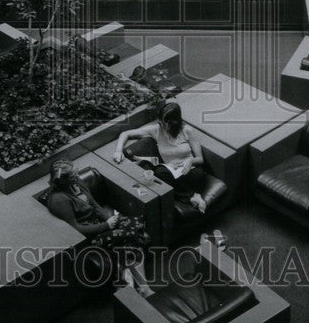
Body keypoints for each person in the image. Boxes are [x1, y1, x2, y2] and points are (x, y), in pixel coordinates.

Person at [46, 159, 152, 295]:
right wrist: (106, 225)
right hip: (90, 235)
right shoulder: (58, 200)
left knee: (137, 222)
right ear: (63, 181)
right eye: (73, 176)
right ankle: (143, 287)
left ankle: (126, 278)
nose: (76, 176)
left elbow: (95, 206)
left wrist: (109, 219)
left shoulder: (77, 182)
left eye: (75, 173)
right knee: (131, 236)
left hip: (101, 224)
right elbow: (76, 228)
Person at [113, 100, 208, 213]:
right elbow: (126, 134)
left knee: (199, 174)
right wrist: (118, 151)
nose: (163, 125)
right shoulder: (156, 130)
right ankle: (193, 196)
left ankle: (189, 197)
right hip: (172, 173)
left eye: (166, 123)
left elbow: (200, 159)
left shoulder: (187, 131)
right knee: (159, 174)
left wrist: (190, 161)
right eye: (161, 121)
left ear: (175, 122)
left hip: (191, 171)